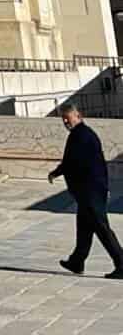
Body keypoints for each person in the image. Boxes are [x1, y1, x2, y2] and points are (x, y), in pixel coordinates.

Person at [49, 104, 123, 278]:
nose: (66, 121)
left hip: (90, 191)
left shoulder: (81, 135)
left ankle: (122, 263)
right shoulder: (83, 134)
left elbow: (70, 162)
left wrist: (55, 172)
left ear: (78, 115)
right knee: (84, 226)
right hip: (89, 191)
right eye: (63, 119)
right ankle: (77, 261)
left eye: (68, 117)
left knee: (102, 228)